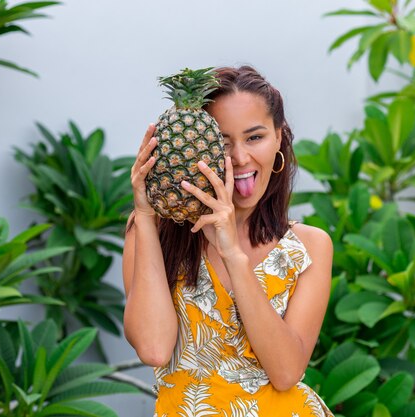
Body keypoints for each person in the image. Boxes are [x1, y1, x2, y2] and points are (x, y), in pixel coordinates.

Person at [122, 65, 334, 416]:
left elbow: (286, 373)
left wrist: (233, 255)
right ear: (194, 146)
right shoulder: (153, 233)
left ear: (279, 137)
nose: (239, 158)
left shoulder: (309, 247)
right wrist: (145, 215)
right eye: (221, 142)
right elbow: (154, 349)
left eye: (255, 137)